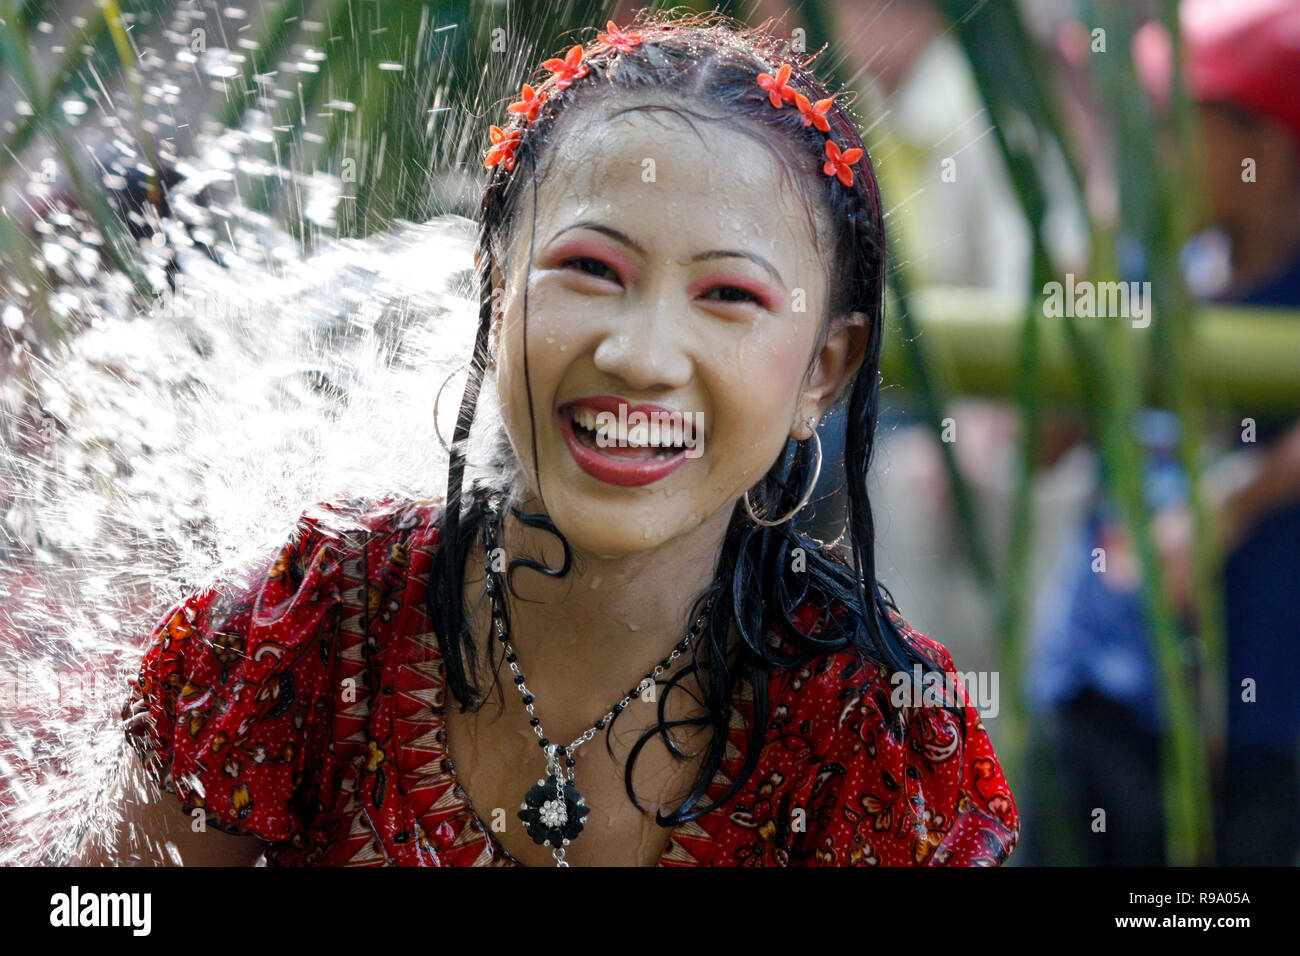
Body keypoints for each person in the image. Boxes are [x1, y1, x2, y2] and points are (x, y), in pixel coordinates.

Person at [76, 10, 1019, 867]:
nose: (642, 356)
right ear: (494, 293)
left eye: (728, 294)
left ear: (824, 370)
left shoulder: (874, 739)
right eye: (591, 269)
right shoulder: (308, 635)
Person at [1021, 0, 1300, 866]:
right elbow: (1043, 444)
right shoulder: (1141, 266)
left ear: (1268, 146)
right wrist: (1096, 230)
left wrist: (1240, 499)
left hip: (1262, 735)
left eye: (1172, 130)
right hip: (1096, 693)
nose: (1150, 158)